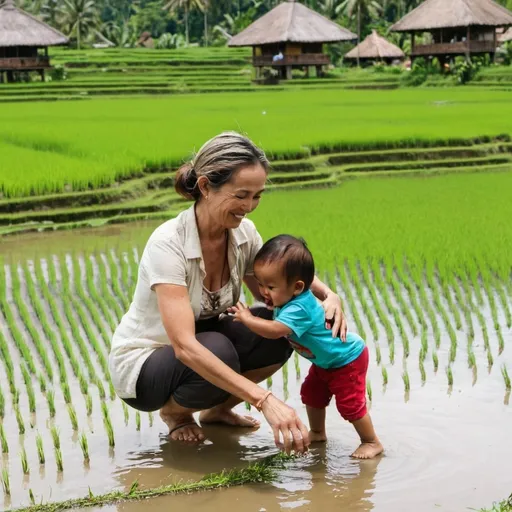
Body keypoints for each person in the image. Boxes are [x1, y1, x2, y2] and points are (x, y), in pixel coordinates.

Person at [108, 132, 347, 454]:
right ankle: (175, 415)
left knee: (273, 327)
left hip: (204, 344)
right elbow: (184, 346)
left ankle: (217, 411)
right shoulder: (168, 244)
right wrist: (264, 400)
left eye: (258, 196)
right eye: (241, 195)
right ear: (206, 187)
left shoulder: (243, 233)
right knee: (218, 347)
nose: (249, 207)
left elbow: (283, 276)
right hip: (148, 363)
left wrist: (330, 296)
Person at [229, 235, 383, 459]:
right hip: (325, 361)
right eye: (260, 284)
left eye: (270, 286)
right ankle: (318, 433)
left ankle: (371, 441)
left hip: (346, 359)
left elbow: (274, 331)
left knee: (350, 405)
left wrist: (247, 318)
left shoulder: (300, 308)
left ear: (297, 287)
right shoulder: (287, 299)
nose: (263, 291)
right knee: (312, 394)